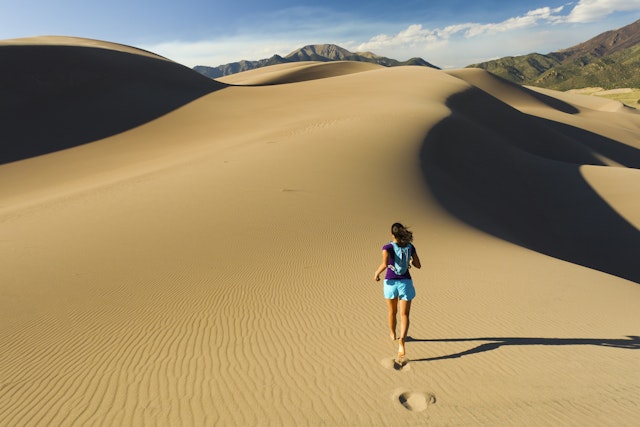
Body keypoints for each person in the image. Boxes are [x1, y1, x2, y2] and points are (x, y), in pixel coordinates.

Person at [374, 223, 421, 360]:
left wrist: (376, 273)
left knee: (392, 312)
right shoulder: (410, 247)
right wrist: (411, 262)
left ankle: (393, 334)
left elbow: (384, 264)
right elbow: (418, 265)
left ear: (392, 234)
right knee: (404, 315)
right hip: (405, 282)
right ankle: (402, 341)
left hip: (390, 283)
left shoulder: (387, 247)